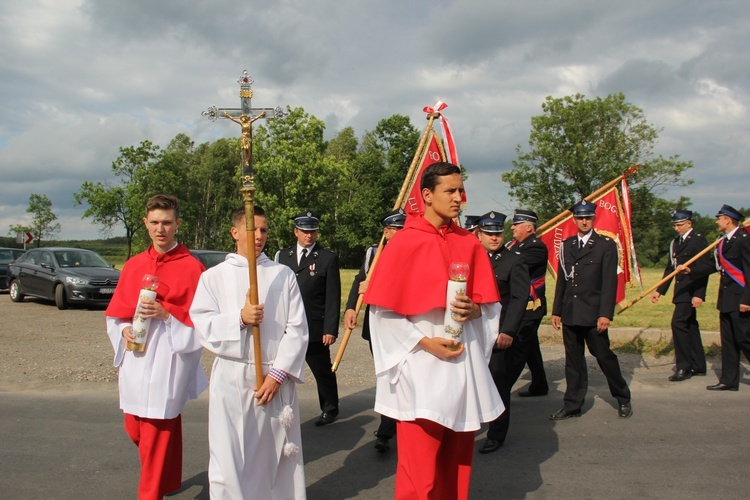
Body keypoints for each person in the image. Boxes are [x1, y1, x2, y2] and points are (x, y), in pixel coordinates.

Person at [363, 162, 504, 499]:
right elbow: (382, 314)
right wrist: (426, 342)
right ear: (427, 195)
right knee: (420, 471)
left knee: (457, 467)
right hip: (420, 368)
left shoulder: (469, 243)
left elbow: (489, 308)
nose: (459, 198)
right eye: (450, 191)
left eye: (461, 190)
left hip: (461, 366)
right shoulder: (403, 243)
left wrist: (475, 310)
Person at [190, 206, 309, 499]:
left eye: (264, 230)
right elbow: (202, 325)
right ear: (235, 233)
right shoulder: (213, 277)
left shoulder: (283, 275)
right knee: (229, 456)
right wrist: (240, 319)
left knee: (274, 457)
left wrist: (278, 374)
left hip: (273, 377)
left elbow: (297, 328)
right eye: (252, 229)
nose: (259, 236)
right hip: (232, 375)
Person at [105, 194, 208, 499]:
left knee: (157, 429)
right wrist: (124, 330)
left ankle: (150, 494)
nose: (160, 229)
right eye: (154, 223)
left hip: (168, 357)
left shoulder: (193, 268)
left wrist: (168, 314)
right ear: (145, 224)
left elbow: (202, 323)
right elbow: (116, 314)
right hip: (136, 357)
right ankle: (169, 476)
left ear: (177, 224)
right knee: (135, 427)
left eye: (167, 223)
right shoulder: (134, 264)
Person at [550, 199, 632, 420]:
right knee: (573, 361)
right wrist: (557, 309)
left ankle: (623, 397)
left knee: (604, 356)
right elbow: (563, 281)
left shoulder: (605, 245)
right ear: (574, 219)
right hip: (570, 311)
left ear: (593, 219)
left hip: (594, 314)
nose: (584, 221)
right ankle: (572, 404)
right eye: (580, 217)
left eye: (588, 217)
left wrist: (605, 314)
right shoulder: (567, 245)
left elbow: (609, 283)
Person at [343, 208, 406, 453]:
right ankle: (390, 426)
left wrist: (375, 286)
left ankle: (387, 430)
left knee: (398, 376)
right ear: (386, 232)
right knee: (386, 376)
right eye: (395, 230)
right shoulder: (374, 252)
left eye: (403, 229)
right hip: (378, 326)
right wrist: (351, 308)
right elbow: (361, 281)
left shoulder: (414, 253)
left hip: (403, 324)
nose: (399, 234)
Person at [277, 210, 342, 425]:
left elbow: (333, 296)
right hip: (287, 325)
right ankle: (279, 405)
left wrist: (330, 329)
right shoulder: (282, 256)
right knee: (282, 367)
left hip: (314, 325)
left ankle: (330, 408)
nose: (309, 235)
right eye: (305, 231)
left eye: (313, 231)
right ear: (296, 231)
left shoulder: (327, 258)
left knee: (322, 370)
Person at [474, 211, 530, 454]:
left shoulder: (514, 260)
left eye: (498, 233)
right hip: (474, 332)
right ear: (480, 234)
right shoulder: (473, 259)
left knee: (498, 384)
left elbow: (519, 299)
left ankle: (496, 434)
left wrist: (508, 330)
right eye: (489, 233)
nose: (494, 238)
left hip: (498, 334)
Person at [687, 204, 750, 391]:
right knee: (729, 341)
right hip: (726, 299)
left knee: (745, 339)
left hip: (741, 299)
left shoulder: (744, 240)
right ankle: (729, 380)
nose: (716, 222)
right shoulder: (722, 241)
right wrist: (691, 270)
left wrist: (747, 299)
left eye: (719, 218)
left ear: (728, 220)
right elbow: (714, 267)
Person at [650, 209, 709, 381]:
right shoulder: (675, 243)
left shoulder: (698, 240)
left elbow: (706, 267)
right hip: (680, 290)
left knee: (678, 324)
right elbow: (670, 268)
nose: (676, 228)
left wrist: (699, 295)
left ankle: (684, 367)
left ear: (689, 223)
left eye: (680, 225)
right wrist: (660, 290)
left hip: (691, 290)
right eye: (675, 225)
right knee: (690, 325)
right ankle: (698, 364)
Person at [509, 209, 550, 397]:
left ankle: (502, 388)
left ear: (528, 227)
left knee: (518, 348)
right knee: (531, 347)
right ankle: (540, 385)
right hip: (521, 306)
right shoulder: (515, 245)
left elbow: (515, 266)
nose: (512, 227)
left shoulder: (535, 247)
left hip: (530, 306)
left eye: (516, 224)